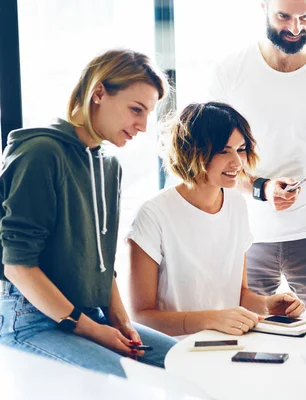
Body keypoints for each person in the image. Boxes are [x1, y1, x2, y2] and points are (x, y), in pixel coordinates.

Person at [0, 49, 177, 378]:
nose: (141, 126)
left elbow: (101, 263)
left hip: (89, 312)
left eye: (148, 114)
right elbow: (18, 267)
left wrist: (122, 323)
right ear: (99, 93)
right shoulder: (40, 153)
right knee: (123, 383)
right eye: (135, 110)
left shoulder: (108, 164)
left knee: (188, 362)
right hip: (31, 320)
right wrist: (96, 331)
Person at [207, 0, 306, 307]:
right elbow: (214, 161)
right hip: (246, 235)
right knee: (247, 339)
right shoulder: (230, 72)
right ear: (263, 7)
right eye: (284, 16)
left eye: (305, 17)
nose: (296, 28)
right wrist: (262, 188)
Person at [127, 102, 305, 337]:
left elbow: (239, 293)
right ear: (192, 151)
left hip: (229, 343)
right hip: (175, 350)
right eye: (223, 151)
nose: (237, 162)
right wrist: (210, 319)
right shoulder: (153, 214)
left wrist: (266, 304)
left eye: (241, 149)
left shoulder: (237, 205)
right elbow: (140, 317)